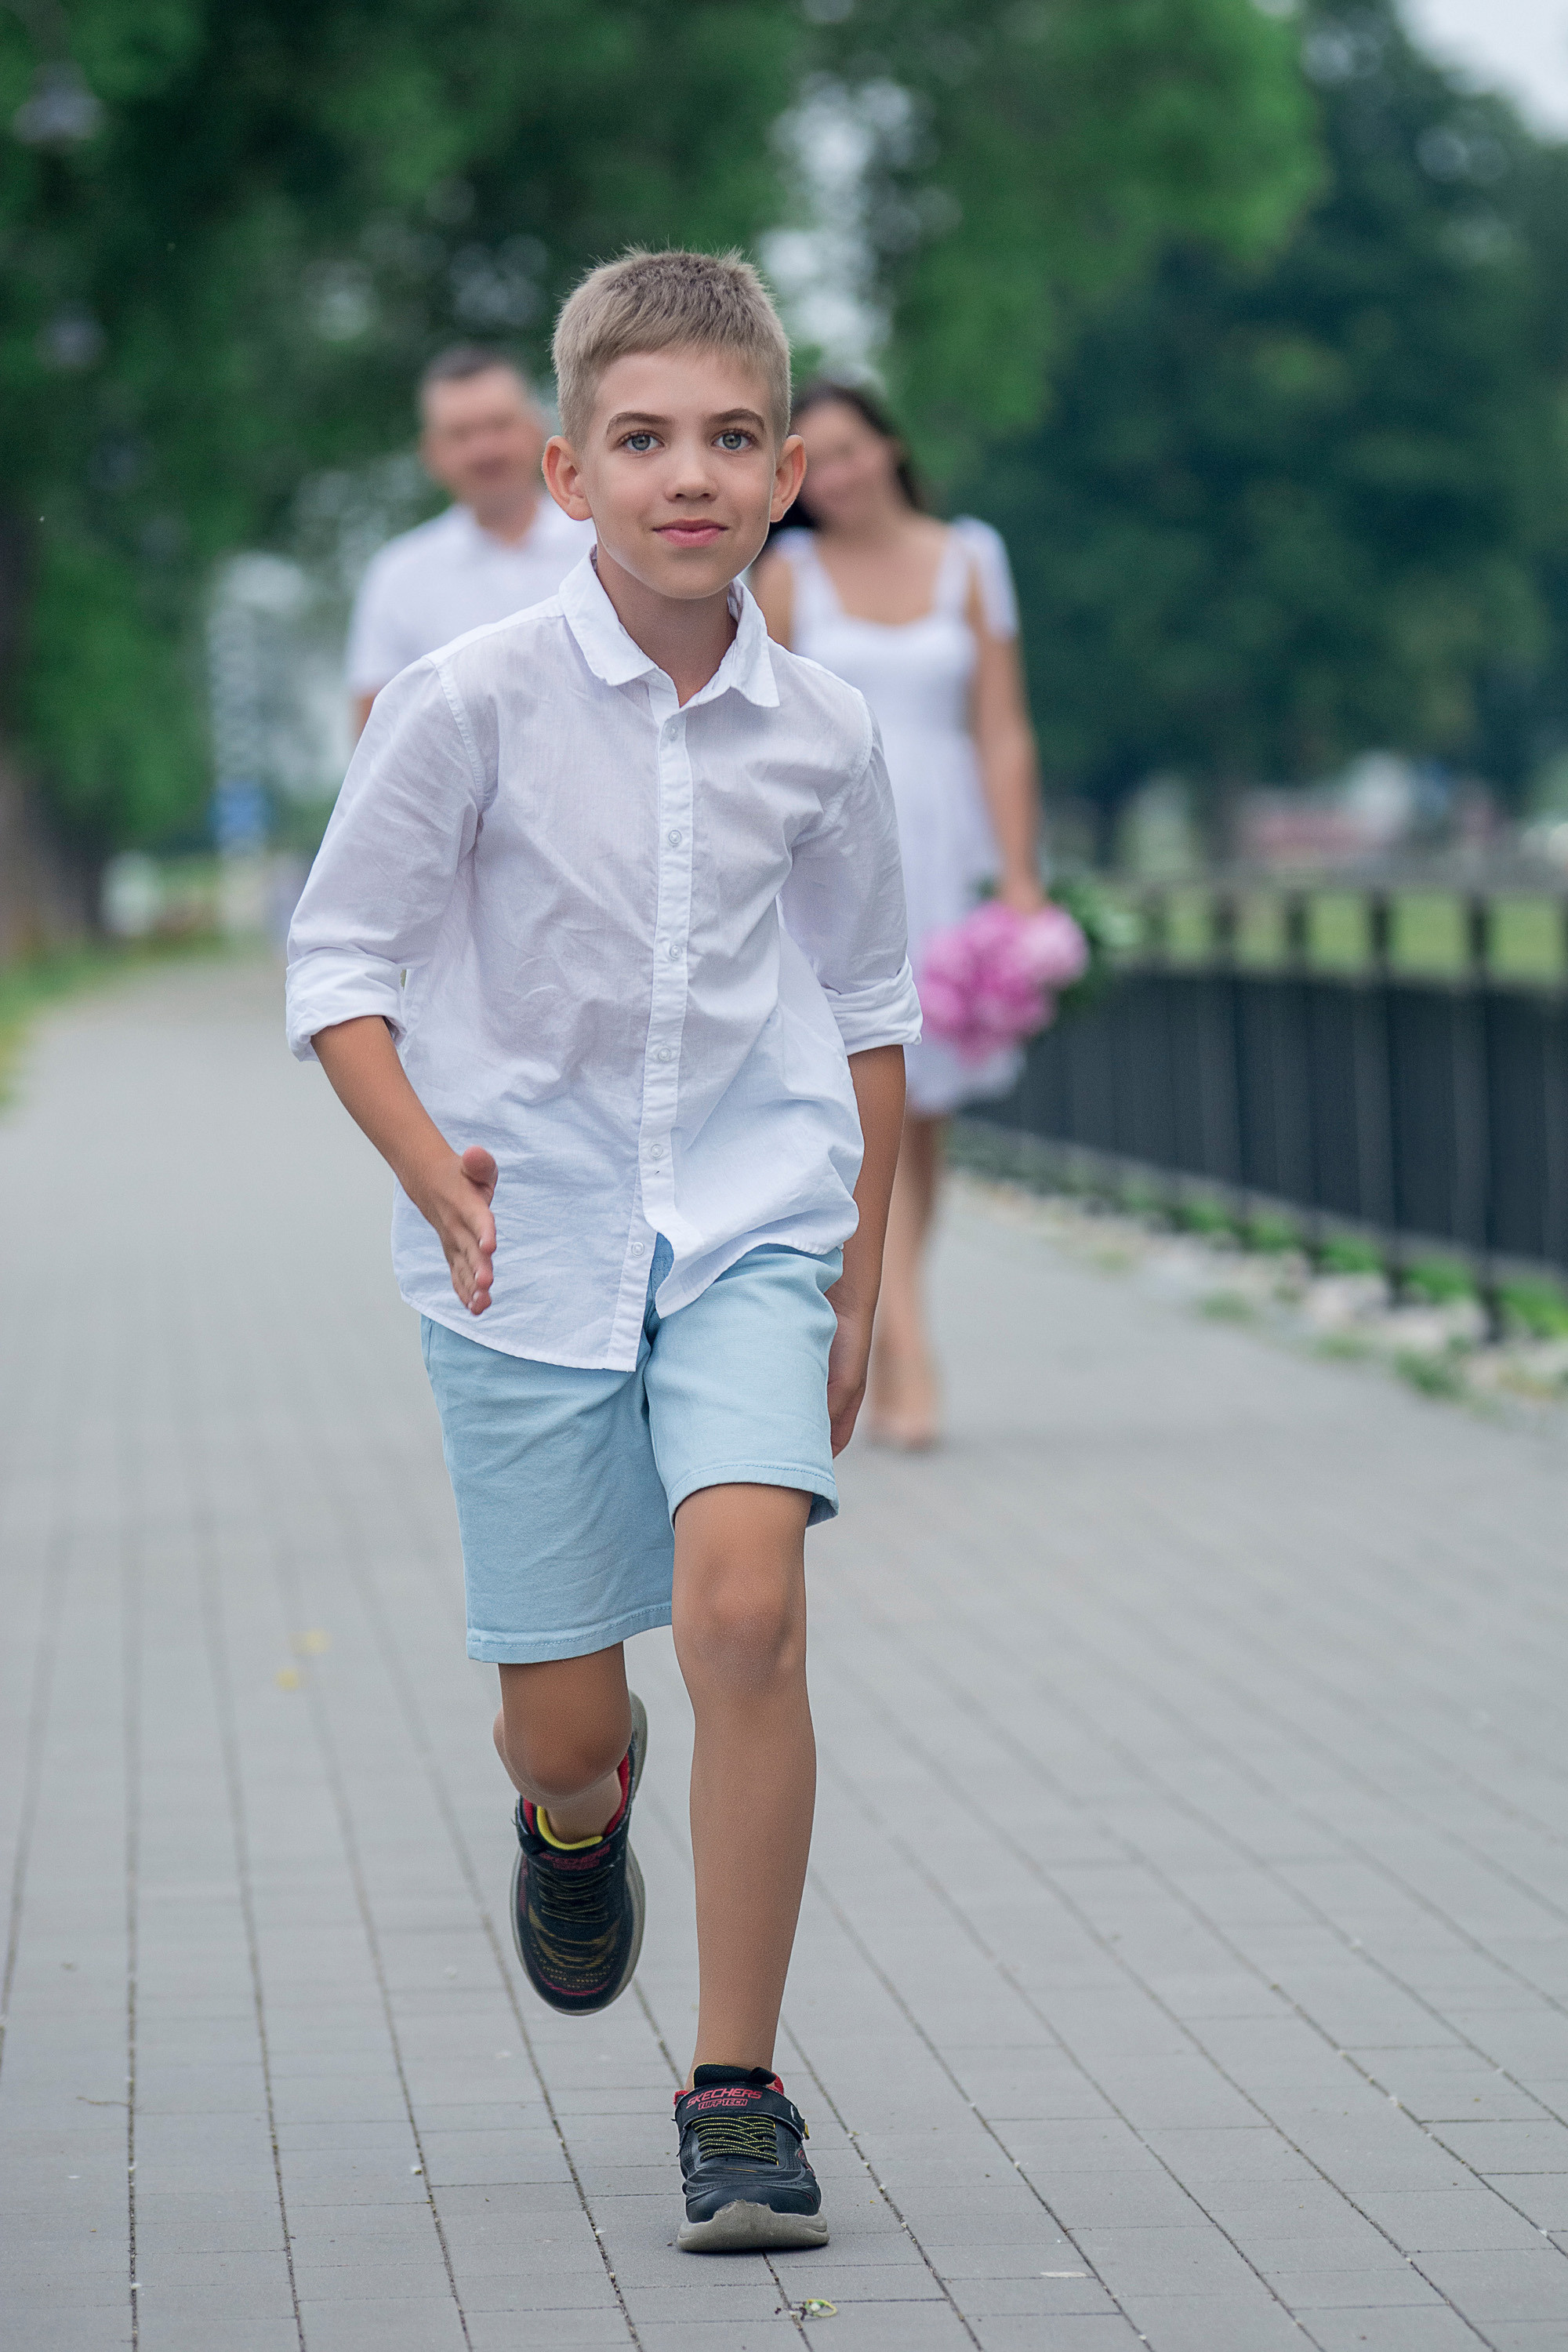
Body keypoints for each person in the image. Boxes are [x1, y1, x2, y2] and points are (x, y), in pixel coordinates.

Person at [285, 252, 917, 2254]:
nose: (688, 475)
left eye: (731, 438)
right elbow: (339, 963)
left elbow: (873, 1005)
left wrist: (854, 1282)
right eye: (641, 439)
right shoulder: (461, 703)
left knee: (742, 1613)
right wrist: (431, 1172)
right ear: (566, 470)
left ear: (787, 466)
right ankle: (578, 1813)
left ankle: (732, 2087)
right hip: (520, 1246)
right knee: (565, 1723)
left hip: (746, 1216)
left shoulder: (818, 731)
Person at [753, 383, 1043, 1450]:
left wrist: (1018, 876)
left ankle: (879, 1315)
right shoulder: (786, 577)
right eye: (811, 460)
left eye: (850, 448)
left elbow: (1003, 726)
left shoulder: (972, 555)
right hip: (842, 854)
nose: (837, 474)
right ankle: (908, 1351)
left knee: (930, 1118)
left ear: (890, 445)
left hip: (951, 845)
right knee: (872, 1101)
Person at [344, 343, 594, 736]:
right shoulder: (398, 577)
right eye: (461, 435)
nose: (484, 450)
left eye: (499, 425)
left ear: (538, 431)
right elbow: (375, 740)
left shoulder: (609, 545)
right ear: (431, 453)